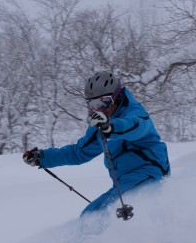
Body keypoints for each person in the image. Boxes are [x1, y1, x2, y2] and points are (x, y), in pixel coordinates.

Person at [23, 70, 170, 218]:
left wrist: (111, 127)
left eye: (103, 102)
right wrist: (42, 157)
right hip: (126, 183)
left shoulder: (134, 113)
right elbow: (78, 152)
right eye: (93, 104)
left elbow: (137, 126)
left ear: (116, 97)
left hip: (150, 175)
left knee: (94, 216)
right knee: (91, 215)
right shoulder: (100, 124)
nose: (99, 108)